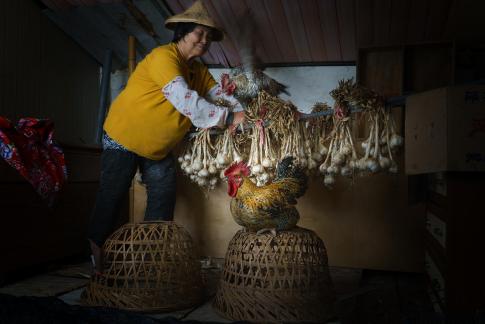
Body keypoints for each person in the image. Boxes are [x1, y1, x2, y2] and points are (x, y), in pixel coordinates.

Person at [87, 0, 244, 274]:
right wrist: (228, 119)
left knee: (163, 196)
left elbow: (218, 95)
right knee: (112, 194)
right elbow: (185, 100)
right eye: (199, 33)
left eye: (208, 37)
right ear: (183, 32)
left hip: (157, 149)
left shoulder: (198, 70)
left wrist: (242, 111)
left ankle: (150, 256)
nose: (204, 41)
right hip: (124, 136)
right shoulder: (164, 57)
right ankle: (96, 255)